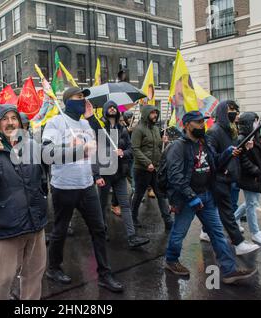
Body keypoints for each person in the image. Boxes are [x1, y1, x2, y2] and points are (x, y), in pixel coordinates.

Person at [42, 87, 123, 293]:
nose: (83, 100)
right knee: (60, 230)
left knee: (99, 229)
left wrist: (91, 118)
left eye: (84, 98)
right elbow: (47, 153)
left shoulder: (85, 123)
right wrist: (78, 150)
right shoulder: (55, 122)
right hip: (64, 186)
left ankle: (105, 274)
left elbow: (102, 141)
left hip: (86, 185)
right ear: (68, 101)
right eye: (79, 97)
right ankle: (53, 267)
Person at [164, 111, 257, 284]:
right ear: (186, 125)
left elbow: (215, 163)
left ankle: (229, 270)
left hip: (206, 196)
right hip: (187, 198)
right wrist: (191, 197)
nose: (202, 125)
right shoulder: (178, 146)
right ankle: (171, 260)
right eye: (197, 122)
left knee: (217, 233)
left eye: (203, 122)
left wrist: (228, 153)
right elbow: (175, 176)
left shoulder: (204, 142)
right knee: (179, 233)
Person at [0, 105, 47, 300]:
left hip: (35, 221)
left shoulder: (30, 145)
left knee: (34, 273)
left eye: (14, 118)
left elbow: (54, 154)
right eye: (5, 118)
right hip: (6, 225)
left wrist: (81, 150)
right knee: (5, 277)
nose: (11, 122)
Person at [89, 100, 150, 249]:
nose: (111, 109)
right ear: (104, 111)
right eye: (108, 107)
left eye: (114, 107)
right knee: (101, 205)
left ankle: (132, 236)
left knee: (125, 205)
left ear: (118, 111)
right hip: (104, 173)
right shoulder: (100, 129)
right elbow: (94, 154)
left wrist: (124, 152)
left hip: (120, 174)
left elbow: (131, 149)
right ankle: (101, 232)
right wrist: (96, 176)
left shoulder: (122, 129)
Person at [205, 101, 259, 255]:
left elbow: (234, 154)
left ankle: (204, 231)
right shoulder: (213, 132)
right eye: (231, 110)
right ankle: (238, 243)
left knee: (215, 209)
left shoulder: (231, 131)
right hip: (219, 178)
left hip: (228, 177)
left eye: (236, 110)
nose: (235, 113)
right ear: (223, 112)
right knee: (227, 211)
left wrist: (242, 149)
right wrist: (228, 152)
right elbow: (212, 160)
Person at [131, 105, 173, 230]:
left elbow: (155, 146)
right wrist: (147, 162)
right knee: (138, 195)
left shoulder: (155, 129)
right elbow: (135, 149)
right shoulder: (138, 129)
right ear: (145, 114)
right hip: (142, 169)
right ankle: (133, 217)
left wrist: (162, 141)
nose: (155, 115)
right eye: (152, 113)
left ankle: (168, 220)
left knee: (160, 194)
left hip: (156, 168)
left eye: (156, 113)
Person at [234, 112, 261, 245]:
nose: (257, 123)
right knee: (251, 204)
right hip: (249, 177)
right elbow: (242, 159)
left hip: (257, 176)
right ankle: (255, 233)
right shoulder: (242, 138)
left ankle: (233, 219)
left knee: (252, 202)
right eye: (254, 121)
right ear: (248, 123)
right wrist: (254, 170)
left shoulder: (256, 136)